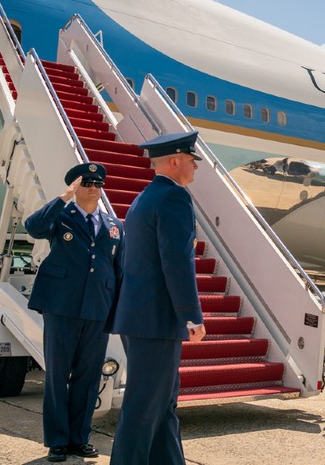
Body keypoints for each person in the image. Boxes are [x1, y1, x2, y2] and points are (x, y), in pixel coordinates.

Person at [109, 132, 206, 464]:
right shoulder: (173, 199)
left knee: (162, 404)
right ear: (175, 161)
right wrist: (191, 315)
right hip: (156, 320)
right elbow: (177, 263)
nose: (195, 167)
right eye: (192, 160)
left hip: (139, 317)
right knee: (144, 407)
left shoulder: (143, 199)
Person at [25, 162, 123, 462]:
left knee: (88, 376)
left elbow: (117, 269)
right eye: (86, 183)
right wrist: (63, 197)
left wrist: (115, 309)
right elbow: (33, 227)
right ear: (75, 186)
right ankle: (57, 440)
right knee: (57, 375)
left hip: (97, 308)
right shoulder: (60, 216)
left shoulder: (112, 223)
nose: (93, 188)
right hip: (61, 306)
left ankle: (79, 438)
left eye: (98, 183)